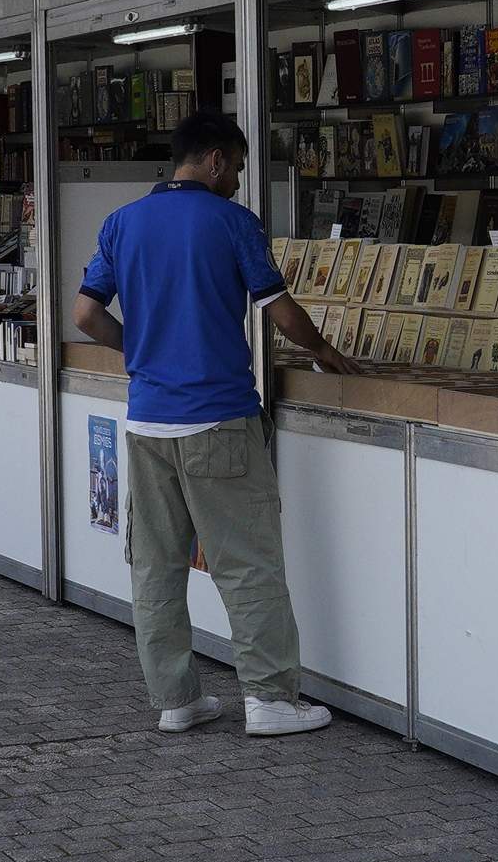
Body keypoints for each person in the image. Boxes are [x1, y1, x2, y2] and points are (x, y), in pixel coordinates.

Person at [72, 110, 361, 737]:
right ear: (216, 161)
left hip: (148, 424)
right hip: (219, 420)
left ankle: (175, 700)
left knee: (155, 567)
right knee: (248, 564)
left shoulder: (121, 224)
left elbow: (86, 316)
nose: (237, 181)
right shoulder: (234, 223)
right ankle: (269, 699)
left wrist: (146, 354)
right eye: (237, 168)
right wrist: (323, 350)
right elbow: (280, 311)